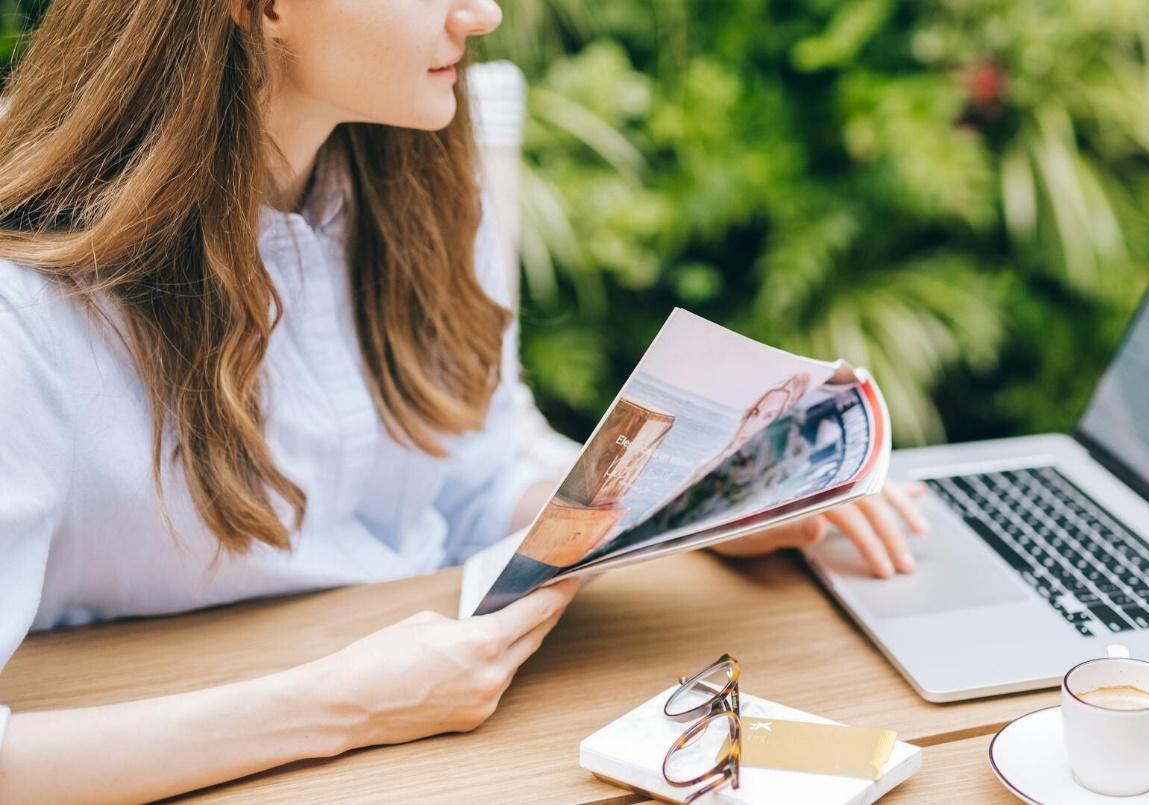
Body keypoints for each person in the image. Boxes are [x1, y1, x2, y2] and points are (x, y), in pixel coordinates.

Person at [0, 1, 929, 801]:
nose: (482, 13)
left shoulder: (419, 182)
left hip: (454, 737)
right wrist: (345, 705)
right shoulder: (27, 307)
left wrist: (692, 510)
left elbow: (469, 484)